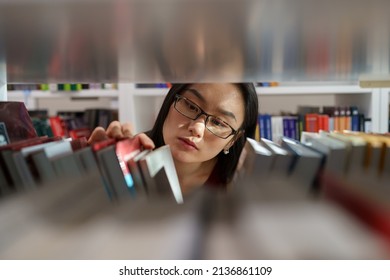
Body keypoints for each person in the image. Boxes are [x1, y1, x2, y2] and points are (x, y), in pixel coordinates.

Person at [88, 83, 258, 195]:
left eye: (219, 122)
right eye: (190, 106)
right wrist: (90, 173)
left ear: (233, 140)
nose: (197, 128)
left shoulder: (239, 188)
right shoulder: (124, 163)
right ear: (170, 102)